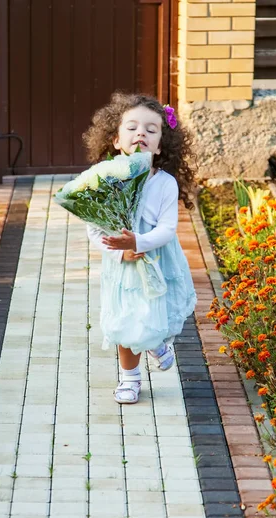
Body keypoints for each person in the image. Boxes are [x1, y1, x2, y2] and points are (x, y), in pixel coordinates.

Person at [83, 92, 197, 404]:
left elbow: (167, 229)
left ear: (161, 145)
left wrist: (139, 242)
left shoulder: (164, 183)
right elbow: (93, 228)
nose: (140, 134)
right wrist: (120, 250)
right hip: (122, 264)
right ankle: (130, 379)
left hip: (157, 258)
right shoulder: (105, 181)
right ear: (115, 139)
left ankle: (157, 342)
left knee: (152, 314)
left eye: (151, 129)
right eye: (131, 128)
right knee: (125, 320)